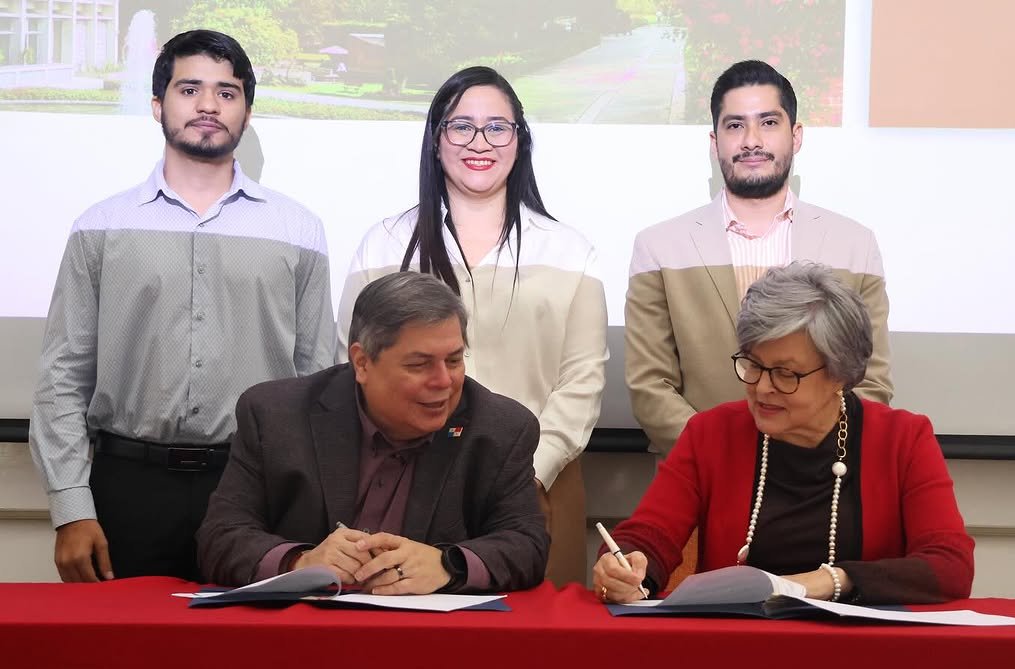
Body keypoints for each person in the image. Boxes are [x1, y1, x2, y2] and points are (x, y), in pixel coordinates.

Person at [29, 30, 334, 583]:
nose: (208, 105)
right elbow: (62, 378)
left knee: (253, 661)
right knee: (123, 664)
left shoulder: (298, 230)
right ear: (157, 105)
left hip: (257, 488)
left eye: (227, 92)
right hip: (128, 488)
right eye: (189, 89)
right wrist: (71, 508)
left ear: (246, 110)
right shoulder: (100, 227)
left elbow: (319, 380)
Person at [334, 66, 607, 586]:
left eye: (498, 127)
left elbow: (583, 382)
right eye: (460, 126)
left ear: (520, 141)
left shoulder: (571, 251)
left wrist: (527, 472)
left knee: (535, 652)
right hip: (402, 479)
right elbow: (350, 366)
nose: (479, 142)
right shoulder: (384, 244)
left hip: (536, 485)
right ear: (436, 141)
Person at [595, 263, 974, 605]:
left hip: (865, 654)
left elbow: (949, 565)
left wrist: (829, 582)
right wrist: (626, 564)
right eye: (753, 365)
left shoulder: (903, 439)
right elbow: (649, 535)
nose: (762, 388)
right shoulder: (712, 434)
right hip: (739, 650)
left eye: (785, 373)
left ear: (839, 373)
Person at [197, 272, 548, 592]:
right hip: (301, 635)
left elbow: (526, 545)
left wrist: (447, 565)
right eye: (419, 364)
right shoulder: (276, 415)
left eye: (454, 360)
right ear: (362, 363)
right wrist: (299, 562)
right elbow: (220, 536)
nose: (444, 381)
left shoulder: (500, 428)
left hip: (431, 641)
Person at [625, 60, 893, 457]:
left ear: (796, 135)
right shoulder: (659, 246)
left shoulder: (855, 243)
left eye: (768, 122)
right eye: (735, 125)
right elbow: (650, 387)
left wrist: (805, 457)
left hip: (821, 480)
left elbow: (871, 383)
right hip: (703, 484)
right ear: (715, 142)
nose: (751, 140)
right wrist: (722, 461)